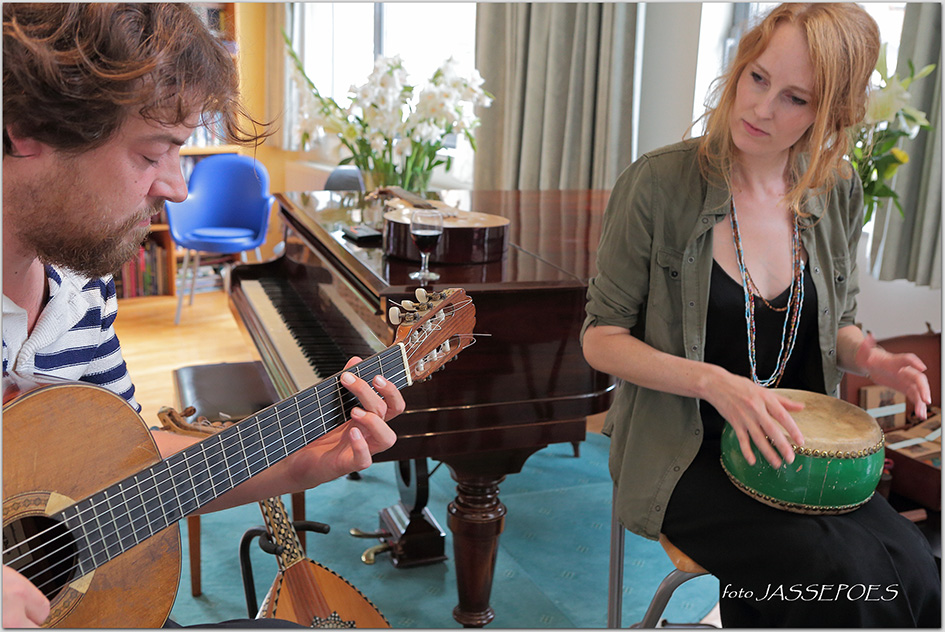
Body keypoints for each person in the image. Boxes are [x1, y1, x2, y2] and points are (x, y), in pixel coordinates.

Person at [2, 4, 405, 628]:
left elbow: (122, 475)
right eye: (151, 153)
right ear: (30, 126)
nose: (178, 187)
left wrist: (300, 463)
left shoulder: (82, 284)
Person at [582, 3, 940, 627]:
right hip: (686, 449)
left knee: (914, 566)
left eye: (795, 98)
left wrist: (876, 358)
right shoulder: (658, 185)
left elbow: (840, 323)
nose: (761, 109)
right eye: (757, 78)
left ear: (832, 114)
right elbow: (601, 340)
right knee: (835, 576)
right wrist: (716, 384)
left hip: (797, 449)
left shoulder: (836, 190)